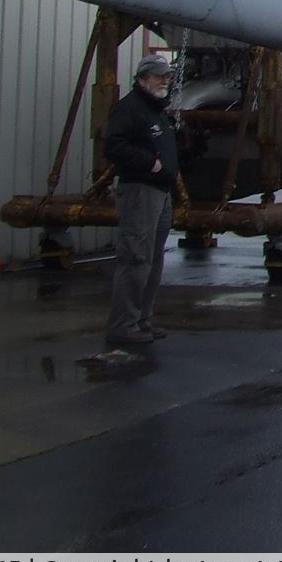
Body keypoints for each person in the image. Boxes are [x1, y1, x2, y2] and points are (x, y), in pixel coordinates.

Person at [103, 53, 179, 348]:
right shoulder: (130, 109)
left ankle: (142, 319)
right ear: (142, 78)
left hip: (161, 192)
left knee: (153, 257)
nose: (165, 81)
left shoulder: (156, 110)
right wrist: (150, 163)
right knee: (135, 256)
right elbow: (114, 146)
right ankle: (123, 324)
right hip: (140, 191)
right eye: (159, 76)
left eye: (167, 76)